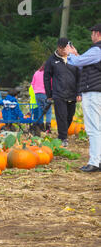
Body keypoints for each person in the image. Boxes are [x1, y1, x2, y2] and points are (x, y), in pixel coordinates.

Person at [67, 23, 101, 172]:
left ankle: (94, 162)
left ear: (98, 34)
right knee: (98, 127)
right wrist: (76, 55)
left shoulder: (97, 50)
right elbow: (84, 63)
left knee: (93, 128)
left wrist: (69, 54)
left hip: (93, 93)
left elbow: (77, 62)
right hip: (96, 92)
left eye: (92, 33)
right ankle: (98, 160)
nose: (91, 35)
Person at [44, 38, 81, 148]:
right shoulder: (51, 60)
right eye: (63, 49)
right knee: (61, 116)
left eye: (67, 48)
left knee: (70, 116)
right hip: (58, 93)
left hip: (72, 92)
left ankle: (62, 135)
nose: (65, 51)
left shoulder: (73, 59)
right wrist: (49, 94)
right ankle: (63, 137)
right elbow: (46, 77)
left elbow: (79, 76)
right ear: (59, 48)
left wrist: (79, 92)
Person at [31, 62, 52, 133]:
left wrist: (36, 90)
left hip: (37, 94)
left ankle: (41, 126)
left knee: (40, 110)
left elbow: (32, 84)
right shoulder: (49, 73)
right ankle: (48, 128)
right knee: (48, 111)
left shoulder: (36, 72)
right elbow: (51, 84)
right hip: (45, 93)